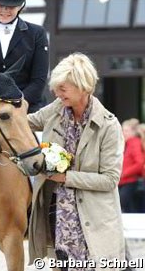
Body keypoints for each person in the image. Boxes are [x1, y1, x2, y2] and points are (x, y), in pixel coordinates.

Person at [27, 53, 125, 271]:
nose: (57, 93)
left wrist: (66, 178)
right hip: (55, 213)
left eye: (63, 88)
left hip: (95, 219)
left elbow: (110, 180)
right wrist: (1, 111)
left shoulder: (109, 126)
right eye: (56, 87)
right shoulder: (56, 108)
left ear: (84, 86)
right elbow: (27, 123)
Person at [119, 119, 144, 213]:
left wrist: (124, 173)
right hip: (124, 181)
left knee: (127, 208)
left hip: (129, 181)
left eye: (126, 131)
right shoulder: (128, 143)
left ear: (133, 132)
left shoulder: (134, 143)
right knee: (129, 209)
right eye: (122, 130)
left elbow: (140, 163)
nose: (123, 133)